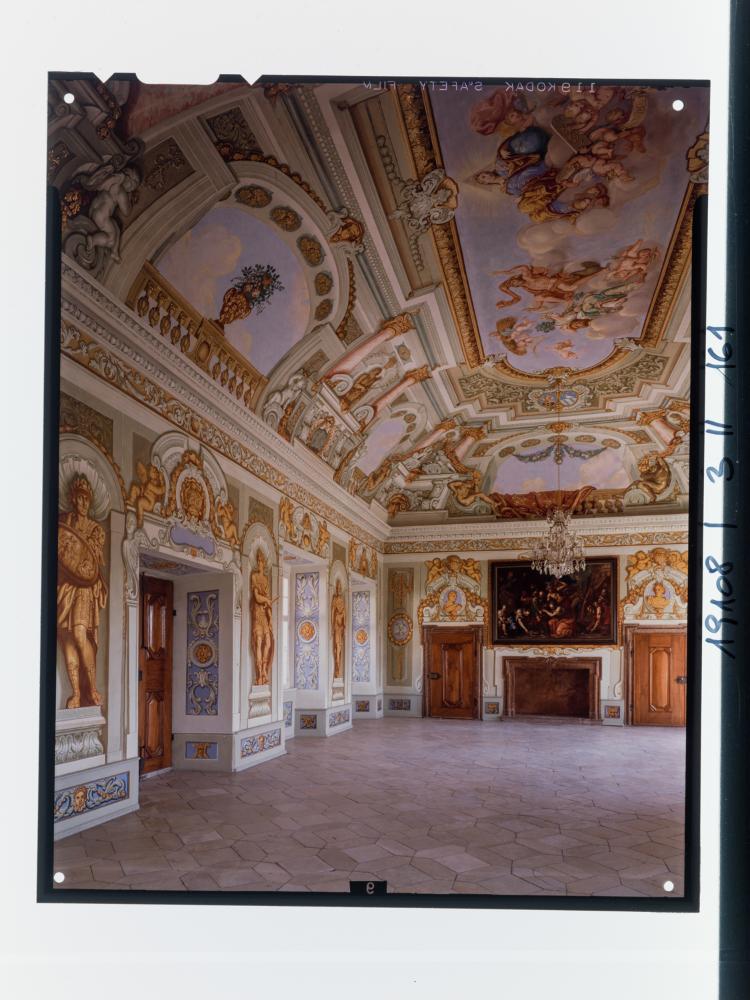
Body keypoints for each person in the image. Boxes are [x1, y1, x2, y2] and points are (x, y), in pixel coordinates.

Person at [57, 475, 108, 708]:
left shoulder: (96, 529)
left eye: (86, 499)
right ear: (72, 499)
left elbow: (92, 562)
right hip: (63, 585)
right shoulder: (63, 522)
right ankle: (76, 693)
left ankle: (93, 689)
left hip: (84, 587)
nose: (83, 503)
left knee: (79, 634)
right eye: (79, 498)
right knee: (66, 638)